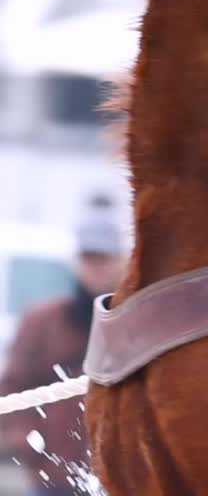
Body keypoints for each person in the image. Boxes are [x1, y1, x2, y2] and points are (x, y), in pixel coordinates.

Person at [0, 196, 127, 495]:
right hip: (53, 474)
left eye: (104, 257)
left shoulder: (137, 326)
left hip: (121, 477)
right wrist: (30, 441)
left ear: (123, 259)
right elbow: (15, 385)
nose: (95, 266)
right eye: (88, 256)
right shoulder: (42, 322)